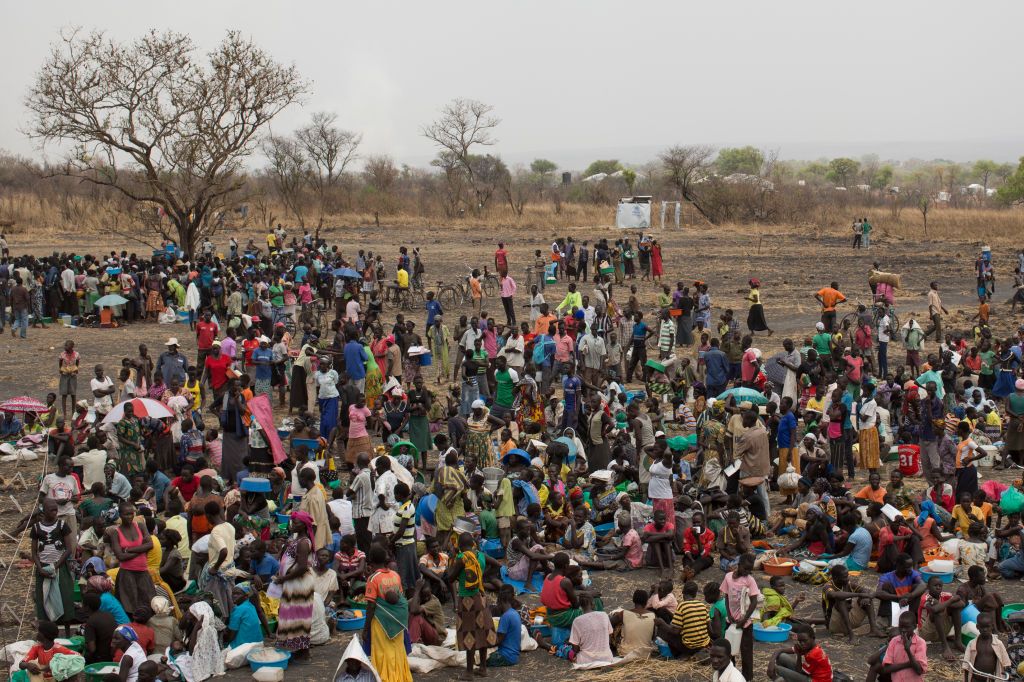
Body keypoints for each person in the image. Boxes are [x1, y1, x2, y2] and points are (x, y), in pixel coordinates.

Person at [446, 533, 497, 679]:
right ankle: (483, 668)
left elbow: (450, 578)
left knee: (469, 633)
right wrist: (482, 575)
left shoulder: (462, 558)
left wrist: (452, 559)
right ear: (473, 543)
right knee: (482, 631)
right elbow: (497, 564)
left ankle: (469, 671)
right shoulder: (480, 555)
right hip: (481, 597)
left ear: (460, 546)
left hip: (467, 599)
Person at [364, 545, 413, 682]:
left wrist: (366, 628)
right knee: (397, 649)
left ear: (370, 560)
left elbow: (371, 605)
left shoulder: (373, 579)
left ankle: (385, 678)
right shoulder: (395, 575)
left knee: (382, 651)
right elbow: (400, 599)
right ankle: (400, 677)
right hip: (398, 621)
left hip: (381, 621)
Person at [274, 512, 316, 659]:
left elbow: (302, 567)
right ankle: (298, 649)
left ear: (304, 525)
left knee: (299, 616)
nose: (293, 525)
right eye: (293, 522)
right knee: (291, 614)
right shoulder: (296, 539)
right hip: (293, 583)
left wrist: (284, 578)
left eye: (297, 523)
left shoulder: (304, 543)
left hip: (300, 584)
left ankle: (304, 651)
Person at [30, 498, 75, 634]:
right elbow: (34, 552)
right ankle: (47, 633)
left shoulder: (62, 525)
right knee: (43, 597)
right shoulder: (37, 528)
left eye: (56, 509)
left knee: (65, 596)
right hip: (43, 568)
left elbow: (68, 549)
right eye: (52, 510)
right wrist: (40, 568)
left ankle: (67, 632)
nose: (55, 512)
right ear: (44, 510)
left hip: (60, 566)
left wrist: (56, 566)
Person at [720, 553, 759, 680]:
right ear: (739, 565)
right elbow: (726, 596)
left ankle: (747, 678)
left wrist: (745, 619)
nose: (747, 572)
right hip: (731, 621)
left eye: (750, 569)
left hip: (745, 623)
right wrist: (729, 614)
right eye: (745, 568)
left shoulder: (749, 580)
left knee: (746, 652)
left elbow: (754, 602)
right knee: (730, 650)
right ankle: (731, 675)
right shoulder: (728, 577)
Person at [766, 622, 833, 682]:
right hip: (812, 675)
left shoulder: (814, 654)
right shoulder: (809, 646)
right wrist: (771, 662)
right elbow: (780, 650)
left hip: (816, 680)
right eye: (800, 641)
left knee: (777, 669)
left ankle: (777, 679)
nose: (802, 644)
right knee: (781, 656)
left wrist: (799, 655)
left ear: (813, 638)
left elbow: (799, 671)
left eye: (805, 640)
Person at [964, 613, 1011, 681]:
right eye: (982, 627)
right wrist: (966, 680)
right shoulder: (972, 644)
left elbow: (1005, 662)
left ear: (992, 626)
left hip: (990, 679)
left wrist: (1006, 676)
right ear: (977, 627)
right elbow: (966, 664)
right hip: (975, 679)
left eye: (987, 626)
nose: (985, 629)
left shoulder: (998, 644)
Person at [488, 584, 522, 667]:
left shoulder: (505, 617)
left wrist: (482, 644)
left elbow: (497, 641)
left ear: (499, 600)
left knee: (480, 658)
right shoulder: (514, 613)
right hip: (514, 655)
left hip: (506, 656)